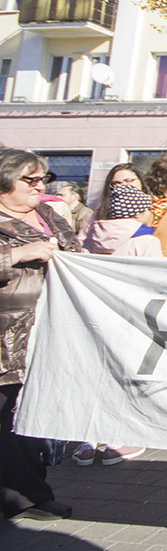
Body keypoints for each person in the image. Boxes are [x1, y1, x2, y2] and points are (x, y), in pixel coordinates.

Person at [0, 148, 79, 521]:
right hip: (5, 336)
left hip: (45, 331)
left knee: (31, 416)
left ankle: (32, 493)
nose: (38, 186)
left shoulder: (48, 213)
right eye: (28, 180)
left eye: (42, 179)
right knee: (6, 419)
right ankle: (26, 496)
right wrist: (17, 255)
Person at [76, 184, 161, 466]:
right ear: (140, 211)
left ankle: (85, 441)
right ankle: (115, 439)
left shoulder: (91, 235)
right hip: (128, 315)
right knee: (121, 373)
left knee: (93, 373)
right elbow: (156, 280)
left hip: (94, 312)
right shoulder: (146, 240)